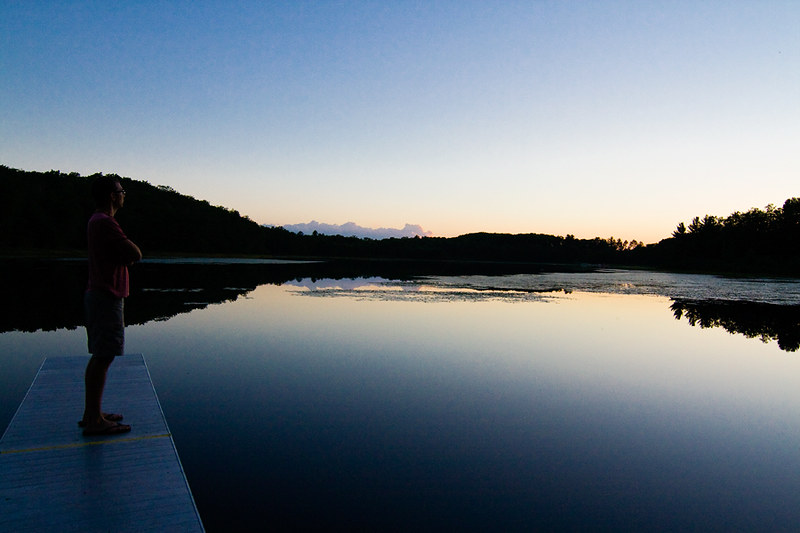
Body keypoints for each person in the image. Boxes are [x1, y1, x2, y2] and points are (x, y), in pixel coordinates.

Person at [79, 175, 142, 436]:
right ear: (111, 196)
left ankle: (92, 413)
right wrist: (129, 256)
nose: (124, 194)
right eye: (121, 191)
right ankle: (95, 420)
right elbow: (135, 254)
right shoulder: (105, 222)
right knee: (103, 356)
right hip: (106, 296)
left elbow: (123, 254)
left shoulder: (99, 221)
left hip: (102, 294)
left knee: (101, 356)